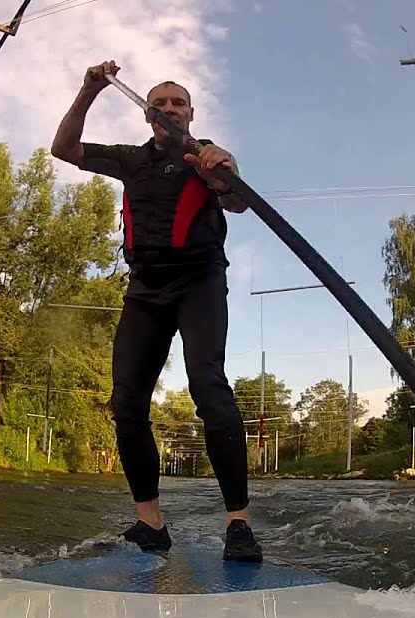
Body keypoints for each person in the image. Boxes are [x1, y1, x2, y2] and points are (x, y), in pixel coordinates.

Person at [50, 60, 262, 562]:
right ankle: (150, 522)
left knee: (208, 387)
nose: (169, 109)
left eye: (178, 103)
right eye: (160, 103)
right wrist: (88, 90)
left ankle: (239, 523)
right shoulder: (129, 159)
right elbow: (63, 149)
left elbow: (238, 205)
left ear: (190, 114)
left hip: (200, 282)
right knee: (126, 402)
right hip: (145, 289)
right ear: (148, 114)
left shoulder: (208, 157)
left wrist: (220, 175)